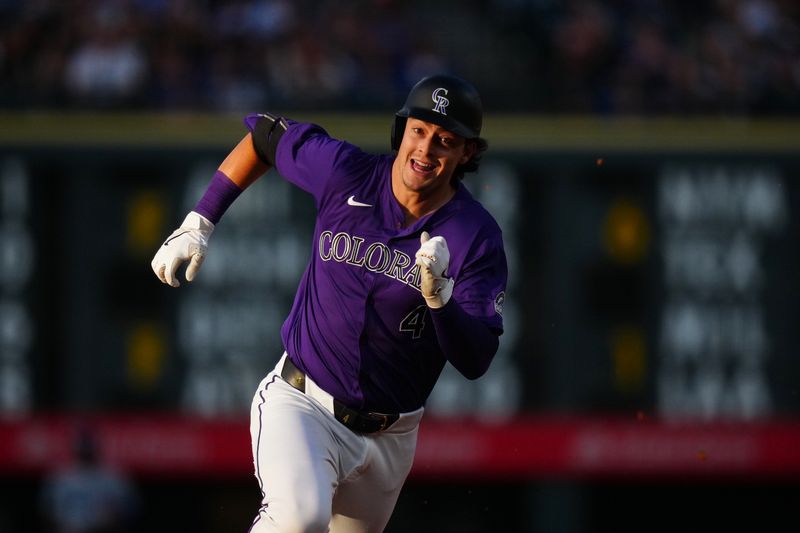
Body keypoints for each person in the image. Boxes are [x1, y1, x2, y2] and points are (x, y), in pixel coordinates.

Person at [151, 74, 508, 532]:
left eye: (445, 140)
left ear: (467, 153)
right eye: (419, 131)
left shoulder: (475, 236)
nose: (426, 149)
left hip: (391, 437)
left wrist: (441, 301)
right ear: (402, 130)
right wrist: (200, 220)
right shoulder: (347, 172)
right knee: (300, 519)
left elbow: (477, 358)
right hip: (303, 402)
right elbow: (264, 136)